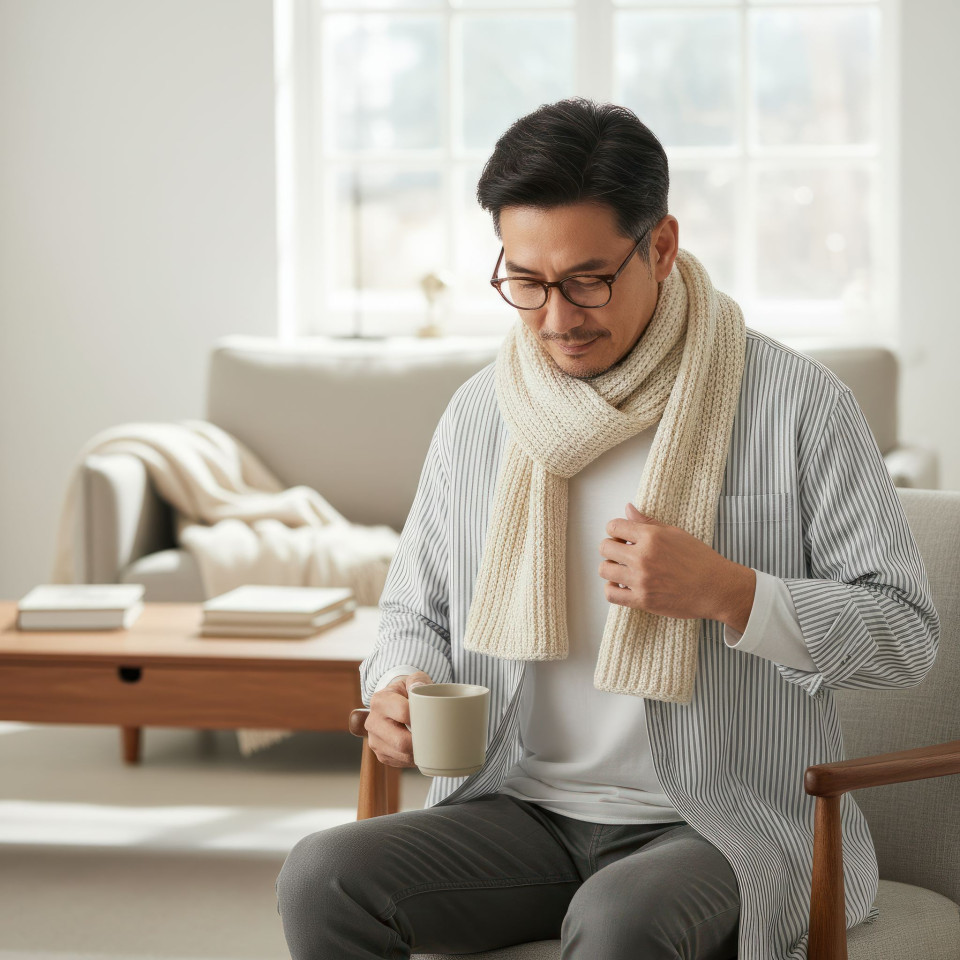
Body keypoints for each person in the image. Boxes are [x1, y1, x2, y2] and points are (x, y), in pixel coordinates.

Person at [275, 98, 939, 960]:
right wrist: (401, 682)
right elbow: (412, 609)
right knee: (321, 876)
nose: (557, 318)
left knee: (621, 918)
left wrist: (735, 593)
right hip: (519, 809)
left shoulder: (797, 404)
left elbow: (904, 635)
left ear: (659, 246)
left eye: (588, 280)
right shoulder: (481, 414)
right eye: (526, 282)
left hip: (721, 819)